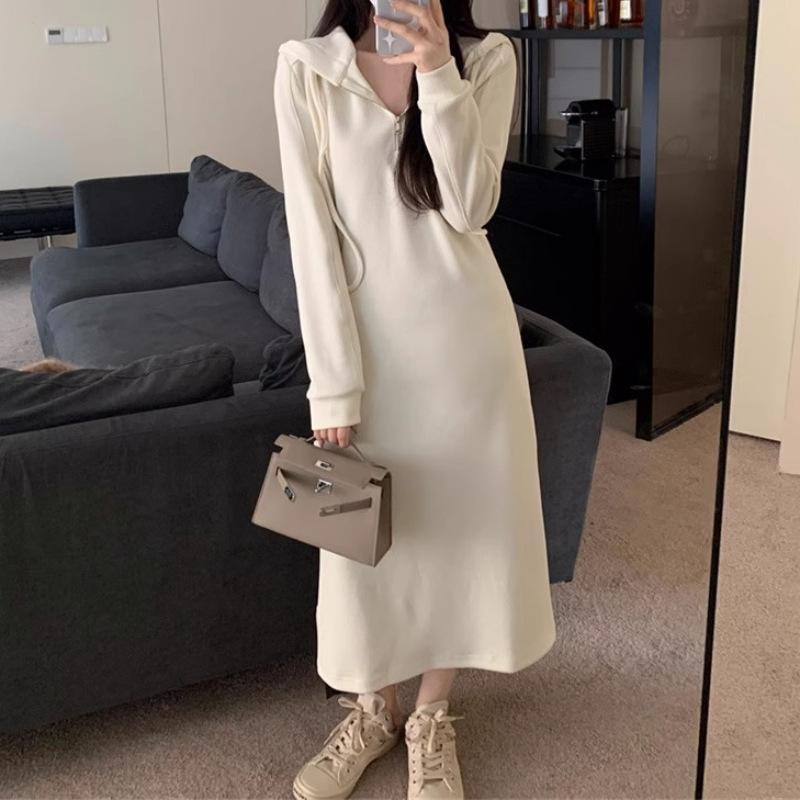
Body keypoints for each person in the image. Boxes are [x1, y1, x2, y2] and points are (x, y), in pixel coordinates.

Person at [273, 0, 556, 797]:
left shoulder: (486, 58)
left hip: (469, 352)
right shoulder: (307, 67)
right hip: (365, 359)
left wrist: (437, 69)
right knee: (356, 542)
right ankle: (372, 710)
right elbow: (310, 239)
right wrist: (334, 383)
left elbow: (471, 206)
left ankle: (431, 715)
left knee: (459, 534)